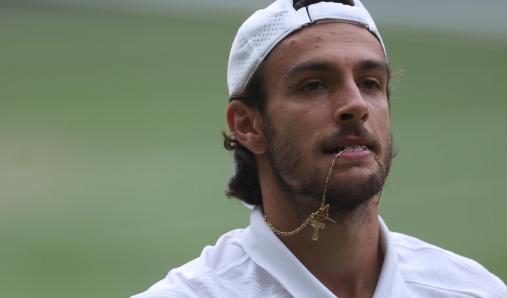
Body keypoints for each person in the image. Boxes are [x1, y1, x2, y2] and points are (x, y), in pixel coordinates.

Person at [132, 0, 507, 297]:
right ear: (248, 125)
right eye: (313, 85)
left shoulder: (474, 290)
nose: (356, 104)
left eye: (371, 83)